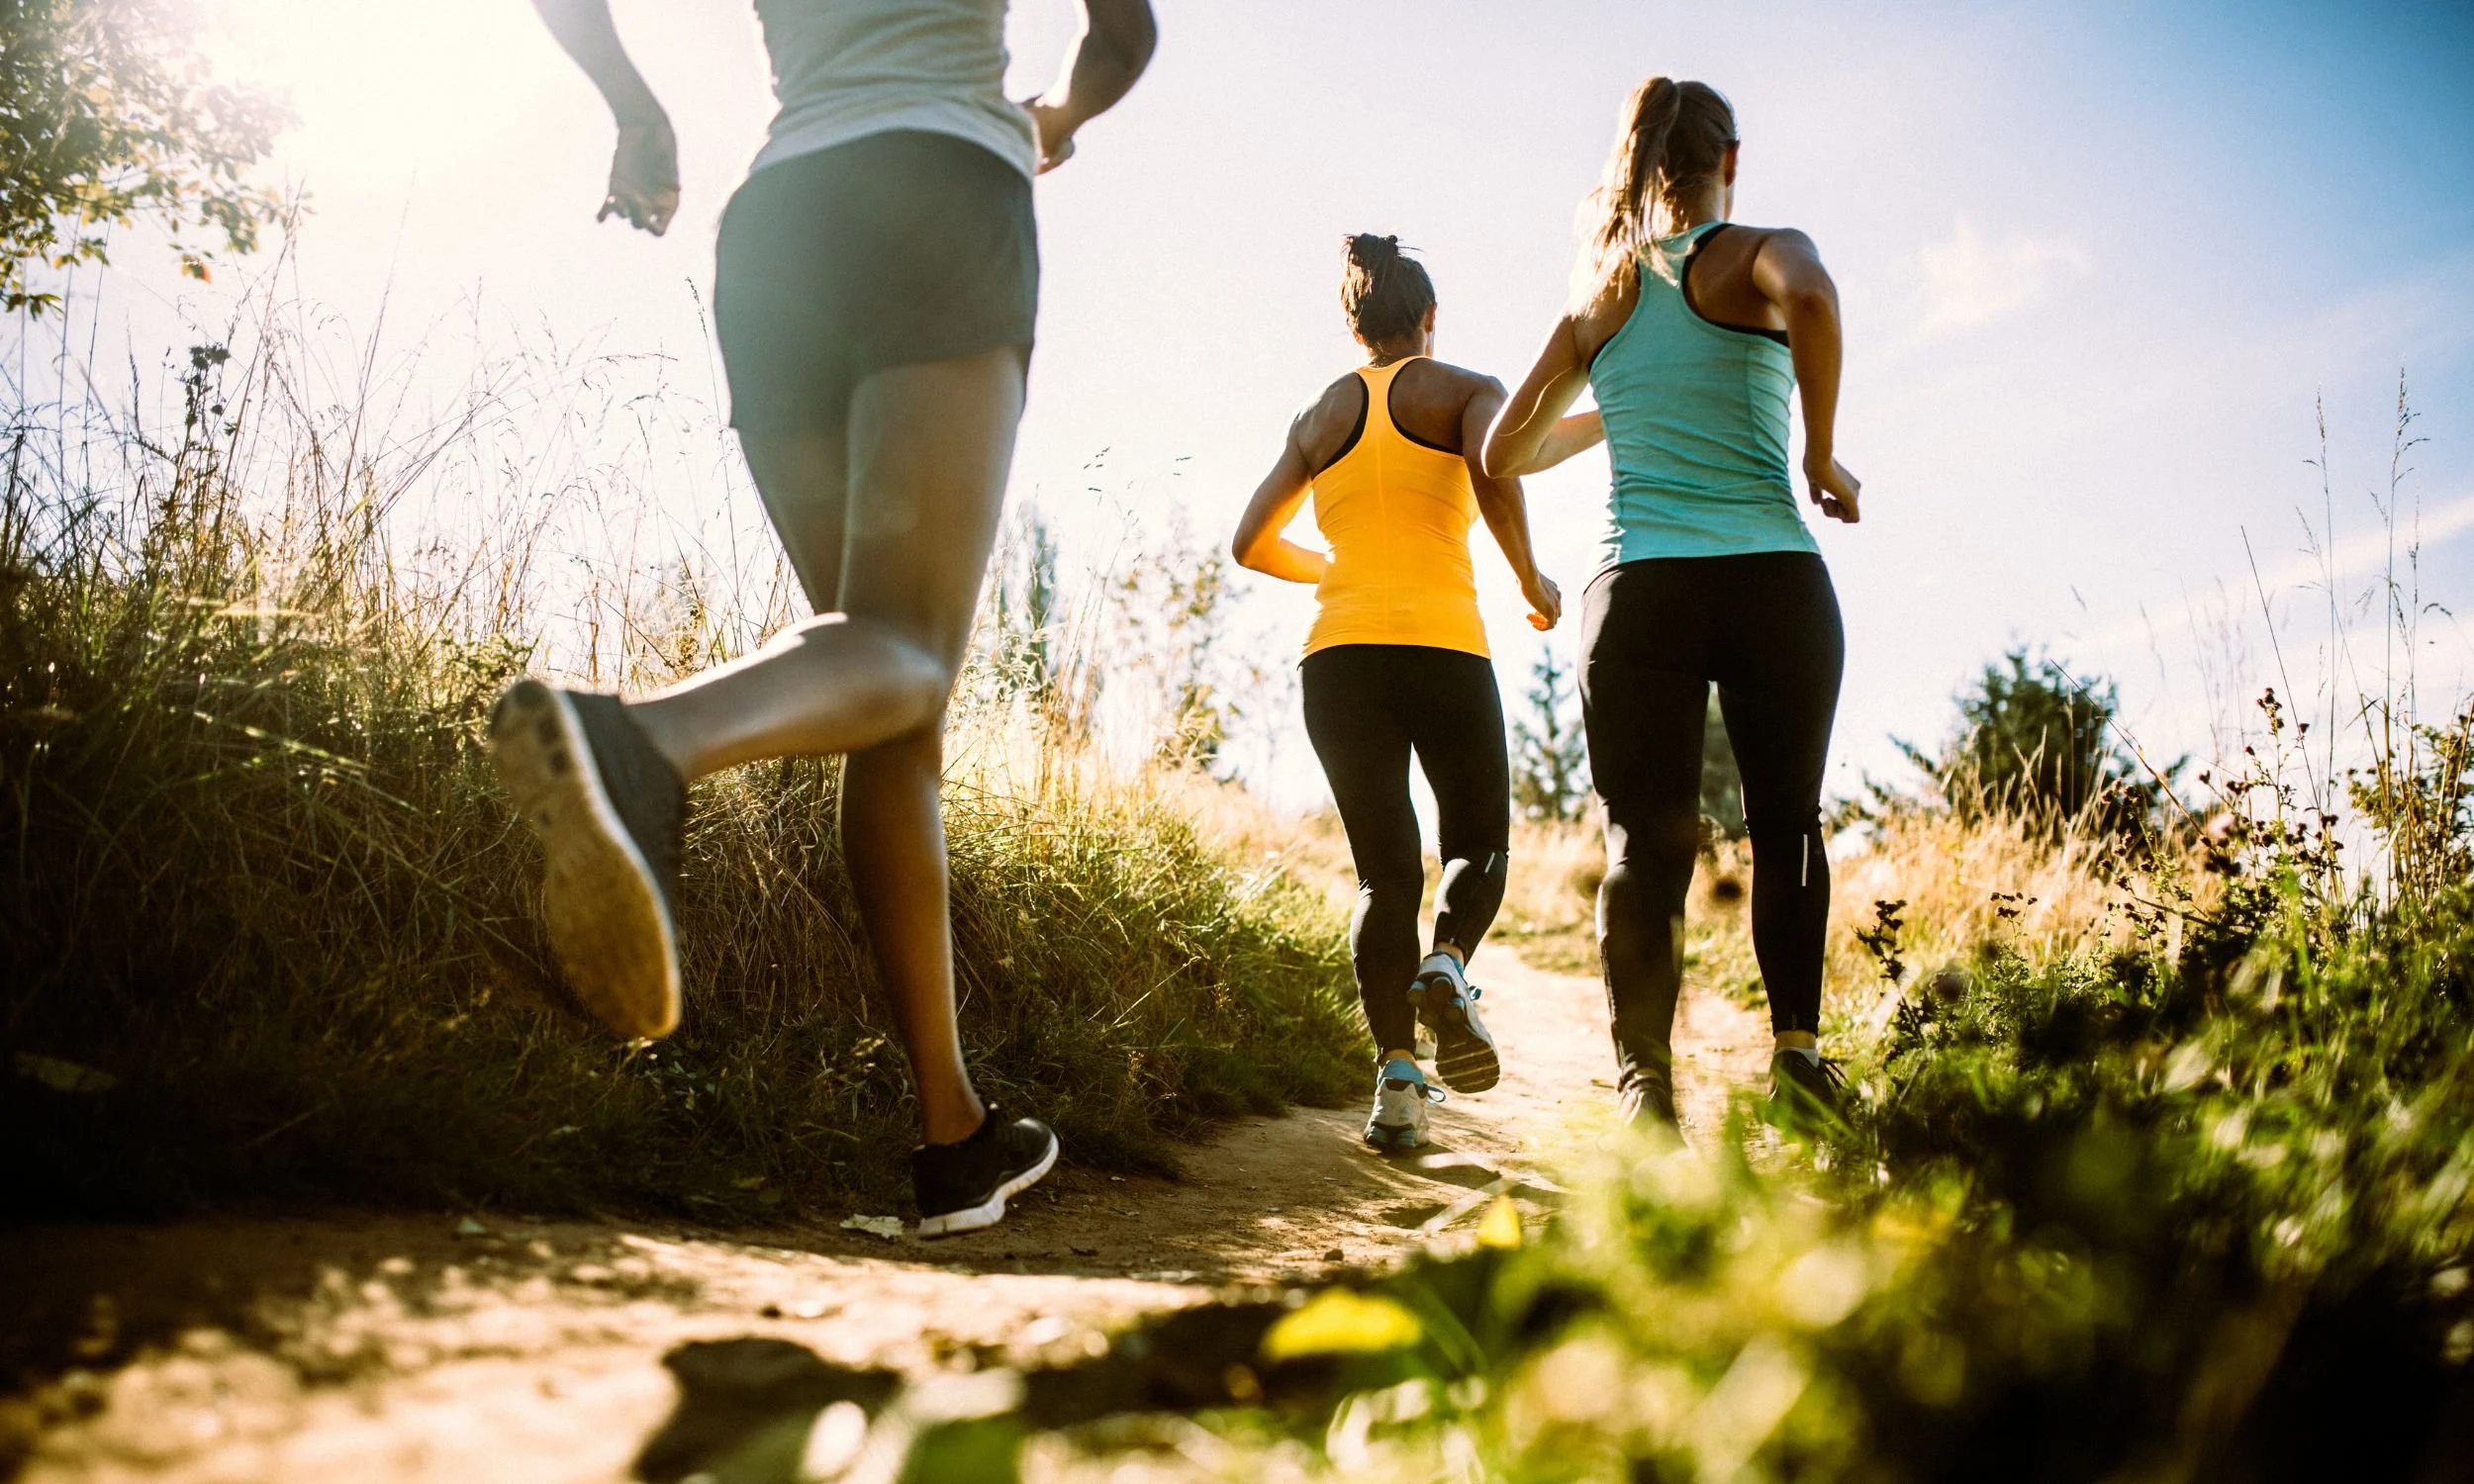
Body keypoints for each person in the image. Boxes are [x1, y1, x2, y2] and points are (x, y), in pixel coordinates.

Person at [503, 0, 1156, 1236]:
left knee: (883, 689)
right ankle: (636, 746)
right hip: (941, 191)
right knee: (904, 651)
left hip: (781, 227)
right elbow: (1121, 36)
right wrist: (1056, 118)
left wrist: (638, 115)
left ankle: (953, 1137)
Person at [1482, 75, 1861, 1130]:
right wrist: (1819, 456)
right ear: (1727, 161)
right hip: (1769, 578)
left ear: (1643, 172)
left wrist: (1613, 410)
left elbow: (1502, 448)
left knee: (1641, 846)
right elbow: (1817, 305)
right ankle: (1796, 1061)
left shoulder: (1599, 299)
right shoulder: (1761, 253)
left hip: (1636, 588)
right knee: (1784, 825)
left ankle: (1645, 1088)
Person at [1231, 234, 1563, 1152]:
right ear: (1427, 318)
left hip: (1338, 658)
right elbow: (1495, 480)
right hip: (1443, 647)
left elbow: (1249, 542)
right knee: (1478, 841)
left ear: (1354, 326)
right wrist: (1533, 583)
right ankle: (1450, 966)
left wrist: (1332, 568)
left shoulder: (1318, 413)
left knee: (1385, 874)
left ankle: (1398, 1085)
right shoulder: (1464, 389)